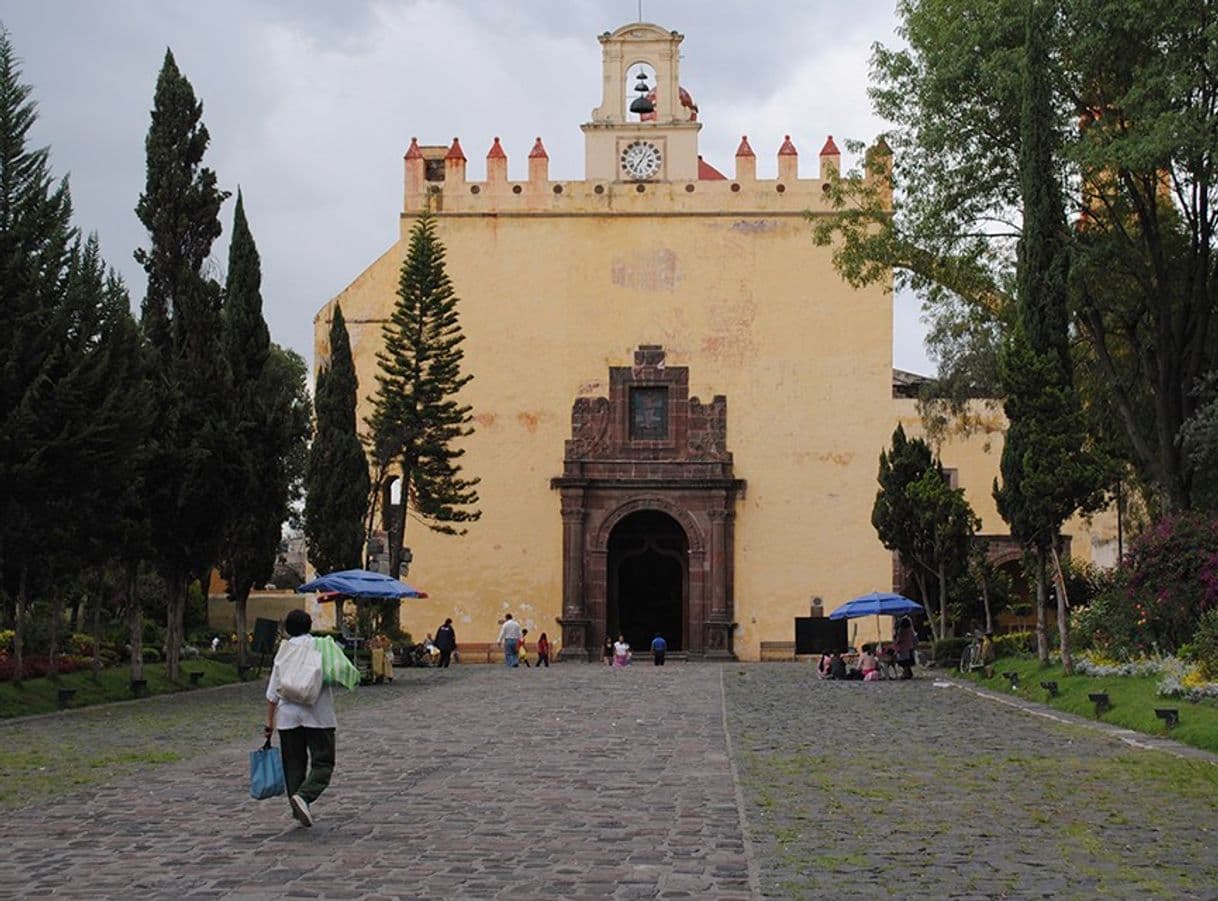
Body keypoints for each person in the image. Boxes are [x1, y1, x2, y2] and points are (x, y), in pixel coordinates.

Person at [265, 609, 335, 828]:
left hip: (287, 716)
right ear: (310, 625)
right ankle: (304, 796)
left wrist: (270, 722)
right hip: (318, 713)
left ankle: (297, 804)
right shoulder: (322, 646)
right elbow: (338, 672)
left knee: (293, 764)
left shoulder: (283, 651)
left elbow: (272, 691)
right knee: (323, 762)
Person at [894, 616, 917, 680]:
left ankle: (906, 673)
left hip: (903, 648)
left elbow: (899, 639)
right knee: (908, 661)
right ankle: (908, 673)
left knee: (904, 662)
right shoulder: (910, 630)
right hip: (910, 647)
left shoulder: (901, 630)